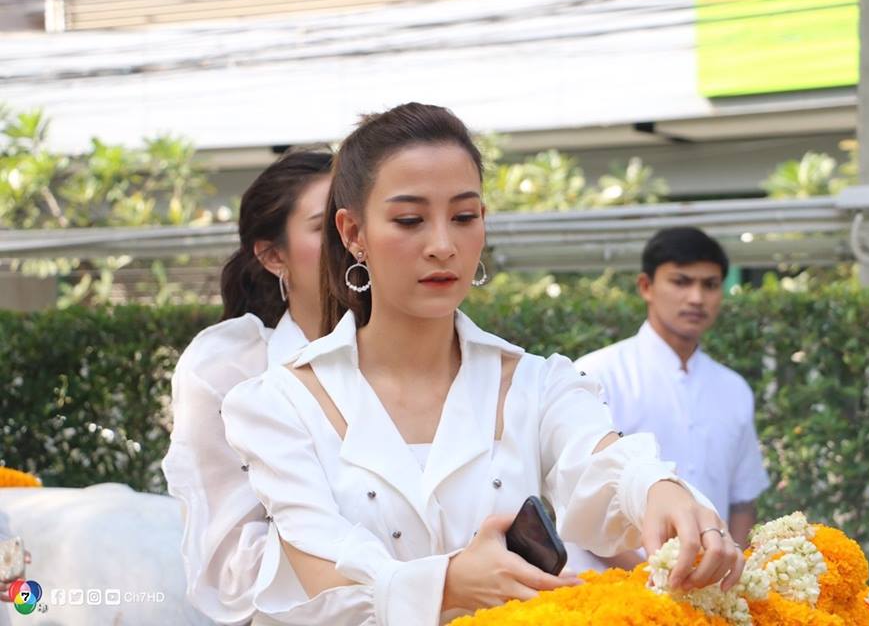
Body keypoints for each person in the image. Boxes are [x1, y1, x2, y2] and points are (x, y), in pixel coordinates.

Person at [220, 103, 745, 626]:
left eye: (464, 217)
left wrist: (656, 489)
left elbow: (603, 461)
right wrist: (446, 583)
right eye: (410, 220)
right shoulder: (278, 403)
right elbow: (322, 579)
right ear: (353, 232)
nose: (443, 245)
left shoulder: (538, 384)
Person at [161, 148, 333, 625]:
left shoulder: (440, 353)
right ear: (273, 255)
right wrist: (410, 578)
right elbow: (230, 574)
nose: (352, 241)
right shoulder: (230, 370)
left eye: (361, 222)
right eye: (327, 227)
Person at [575, 227, 770, 548]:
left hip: (713, 574)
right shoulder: (595, 374)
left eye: (710, 285)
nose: (696, 298)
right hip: (614, 576)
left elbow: (742, 501)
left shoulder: (734, 389)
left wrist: (731, 567)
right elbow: (579, 499)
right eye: (681, 281)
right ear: (646, 286)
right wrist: (653, 570)